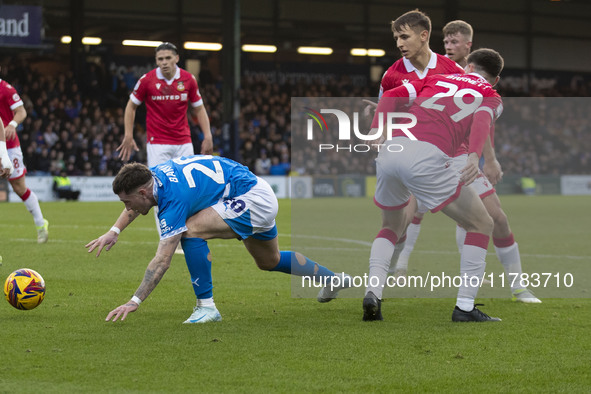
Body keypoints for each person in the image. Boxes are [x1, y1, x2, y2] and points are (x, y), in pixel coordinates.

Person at [85, 155, 351, 323]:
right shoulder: (151, 175)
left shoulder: (173, 199)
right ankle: (332, 279)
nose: (127, 207)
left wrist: (135, 301)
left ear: (143, 192)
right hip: (253, 191)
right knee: (270, 261)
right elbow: (136, 202)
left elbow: (162, 260)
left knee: (189, 230)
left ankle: (207, 307)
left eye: (127, 202)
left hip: (250, 199)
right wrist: (115, 230)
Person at [388, 20, 541, 304]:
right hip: (426, 153)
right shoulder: (438, 69)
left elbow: (482, 120)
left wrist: (489, 158)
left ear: (468, 47)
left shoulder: (475, 77)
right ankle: (385, 277)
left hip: (459, 155)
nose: (448, 46)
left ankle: (518, 287)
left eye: (454, 41)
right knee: (404, 218)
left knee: (495, 218)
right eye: (445, 41)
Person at [363, 48, 504, 322]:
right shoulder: (491, 94)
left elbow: (392, 95)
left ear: (468, 66)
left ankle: (373, 293)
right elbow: (482, 119)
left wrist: (376, 129)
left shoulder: (438, 79)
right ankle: (465, 308)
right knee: (482, 224)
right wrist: (475, 155)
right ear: (495, 80)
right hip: (428, 156)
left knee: (391, 227)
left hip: (391, 150)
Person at [117, 42, 213, 255]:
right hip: (158, 142)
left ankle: (188, 233)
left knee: (188, 189)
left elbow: (199, 109)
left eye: (168, 58)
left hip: (183, 141)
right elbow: (131, 106)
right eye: (160, 59)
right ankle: (168, 237)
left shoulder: (188, 80)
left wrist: (207, 135)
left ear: (176, 58)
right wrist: (128, 134)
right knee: (158, 188)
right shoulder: (147, 80)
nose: (164, 63)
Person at [0, 67, 49, 243]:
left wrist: (12, 124)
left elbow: (22, 111)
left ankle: (40, 224)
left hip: (9, 146)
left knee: (19, 188)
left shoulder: (6, 89)